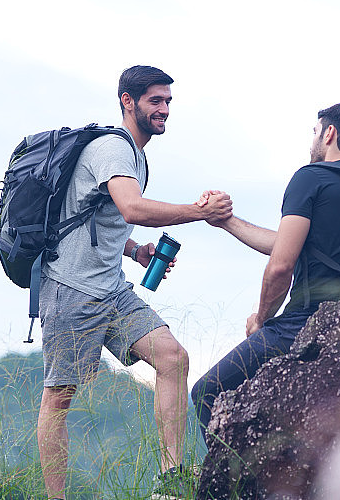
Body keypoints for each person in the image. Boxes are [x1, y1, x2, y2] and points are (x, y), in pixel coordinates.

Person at [37, 65, 232, 500]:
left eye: (167, 102)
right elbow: (131, 208)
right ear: (128, 101)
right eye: (155, 101)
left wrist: (135, 251)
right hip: (71, 289)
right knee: (59, 398)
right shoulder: (113, 148)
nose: (164, 110)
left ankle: (169, 483)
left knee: (173, 358)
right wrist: (199, 211)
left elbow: (101, 215)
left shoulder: (137, 156)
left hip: (111, 288)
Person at [191, 102, 340, 437]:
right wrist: (227, 222)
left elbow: (281, 266)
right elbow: (291, 243)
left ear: (329, 133)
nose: (313, 141)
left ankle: (231, 485)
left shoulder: (311, 178)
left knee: (207, 392)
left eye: (315, 132)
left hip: (306, 321)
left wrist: (260, 320)